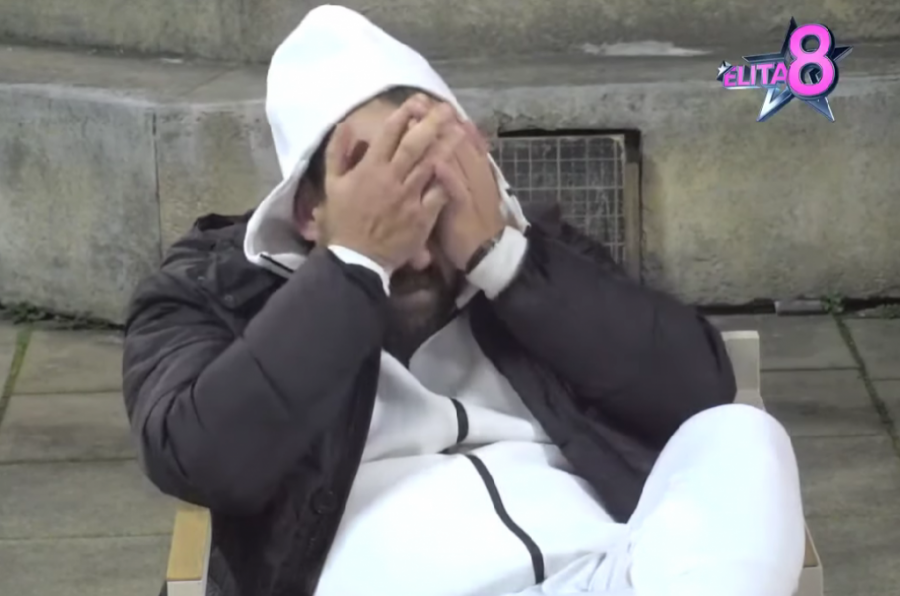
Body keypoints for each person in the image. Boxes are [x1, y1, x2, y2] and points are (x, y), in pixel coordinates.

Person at [123, 5, 805, 596]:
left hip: (598, 575)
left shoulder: (530, 252)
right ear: (307, 212)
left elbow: (698, 391)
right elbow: (201, 459)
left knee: (741, 435)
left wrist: (506, 261)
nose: (420, 253)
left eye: (432, 194)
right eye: (386, 199)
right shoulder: (213, 288)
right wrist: (355, 266)